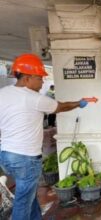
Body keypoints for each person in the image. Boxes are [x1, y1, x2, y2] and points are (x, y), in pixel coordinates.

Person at [0, 53, 89, 220]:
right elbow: (61, 107)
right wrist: (79, 102)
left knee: (29, 194)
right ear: (27, 78)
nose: (42, 83)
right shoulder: (33, 98)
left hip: (6, 155)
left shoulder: (3, 93)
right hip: (25, 157)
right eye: (40, 78)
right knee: (23, 202)